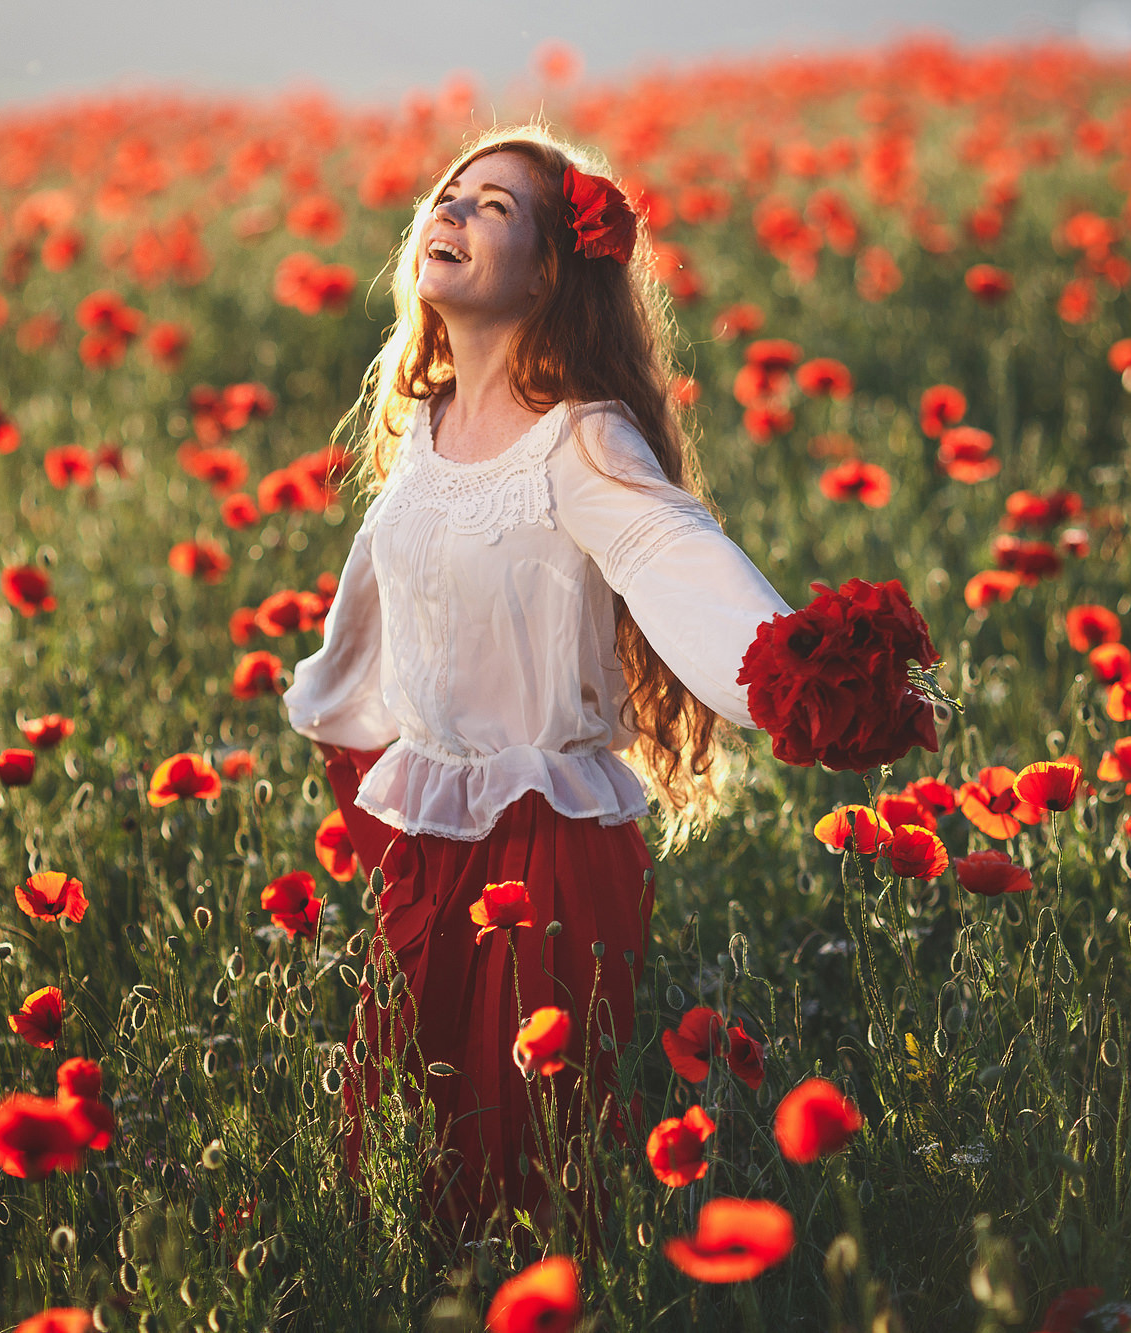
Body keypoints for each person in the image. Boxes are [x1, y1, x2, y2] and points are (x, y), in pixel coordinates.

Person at [280, 124, 796, 1248]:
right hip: (427, 830)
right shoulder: (420, 428)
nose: (450, 214)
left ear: (552, 271)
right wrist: (339, 716)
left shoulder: (583, 440)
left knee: (523, 1176)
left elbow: (683, 568)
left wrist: (798, 674)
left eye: (493, 208)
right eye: (448, 196)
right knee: (400, 1159)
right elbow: (374, 612)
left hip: (546, 846)